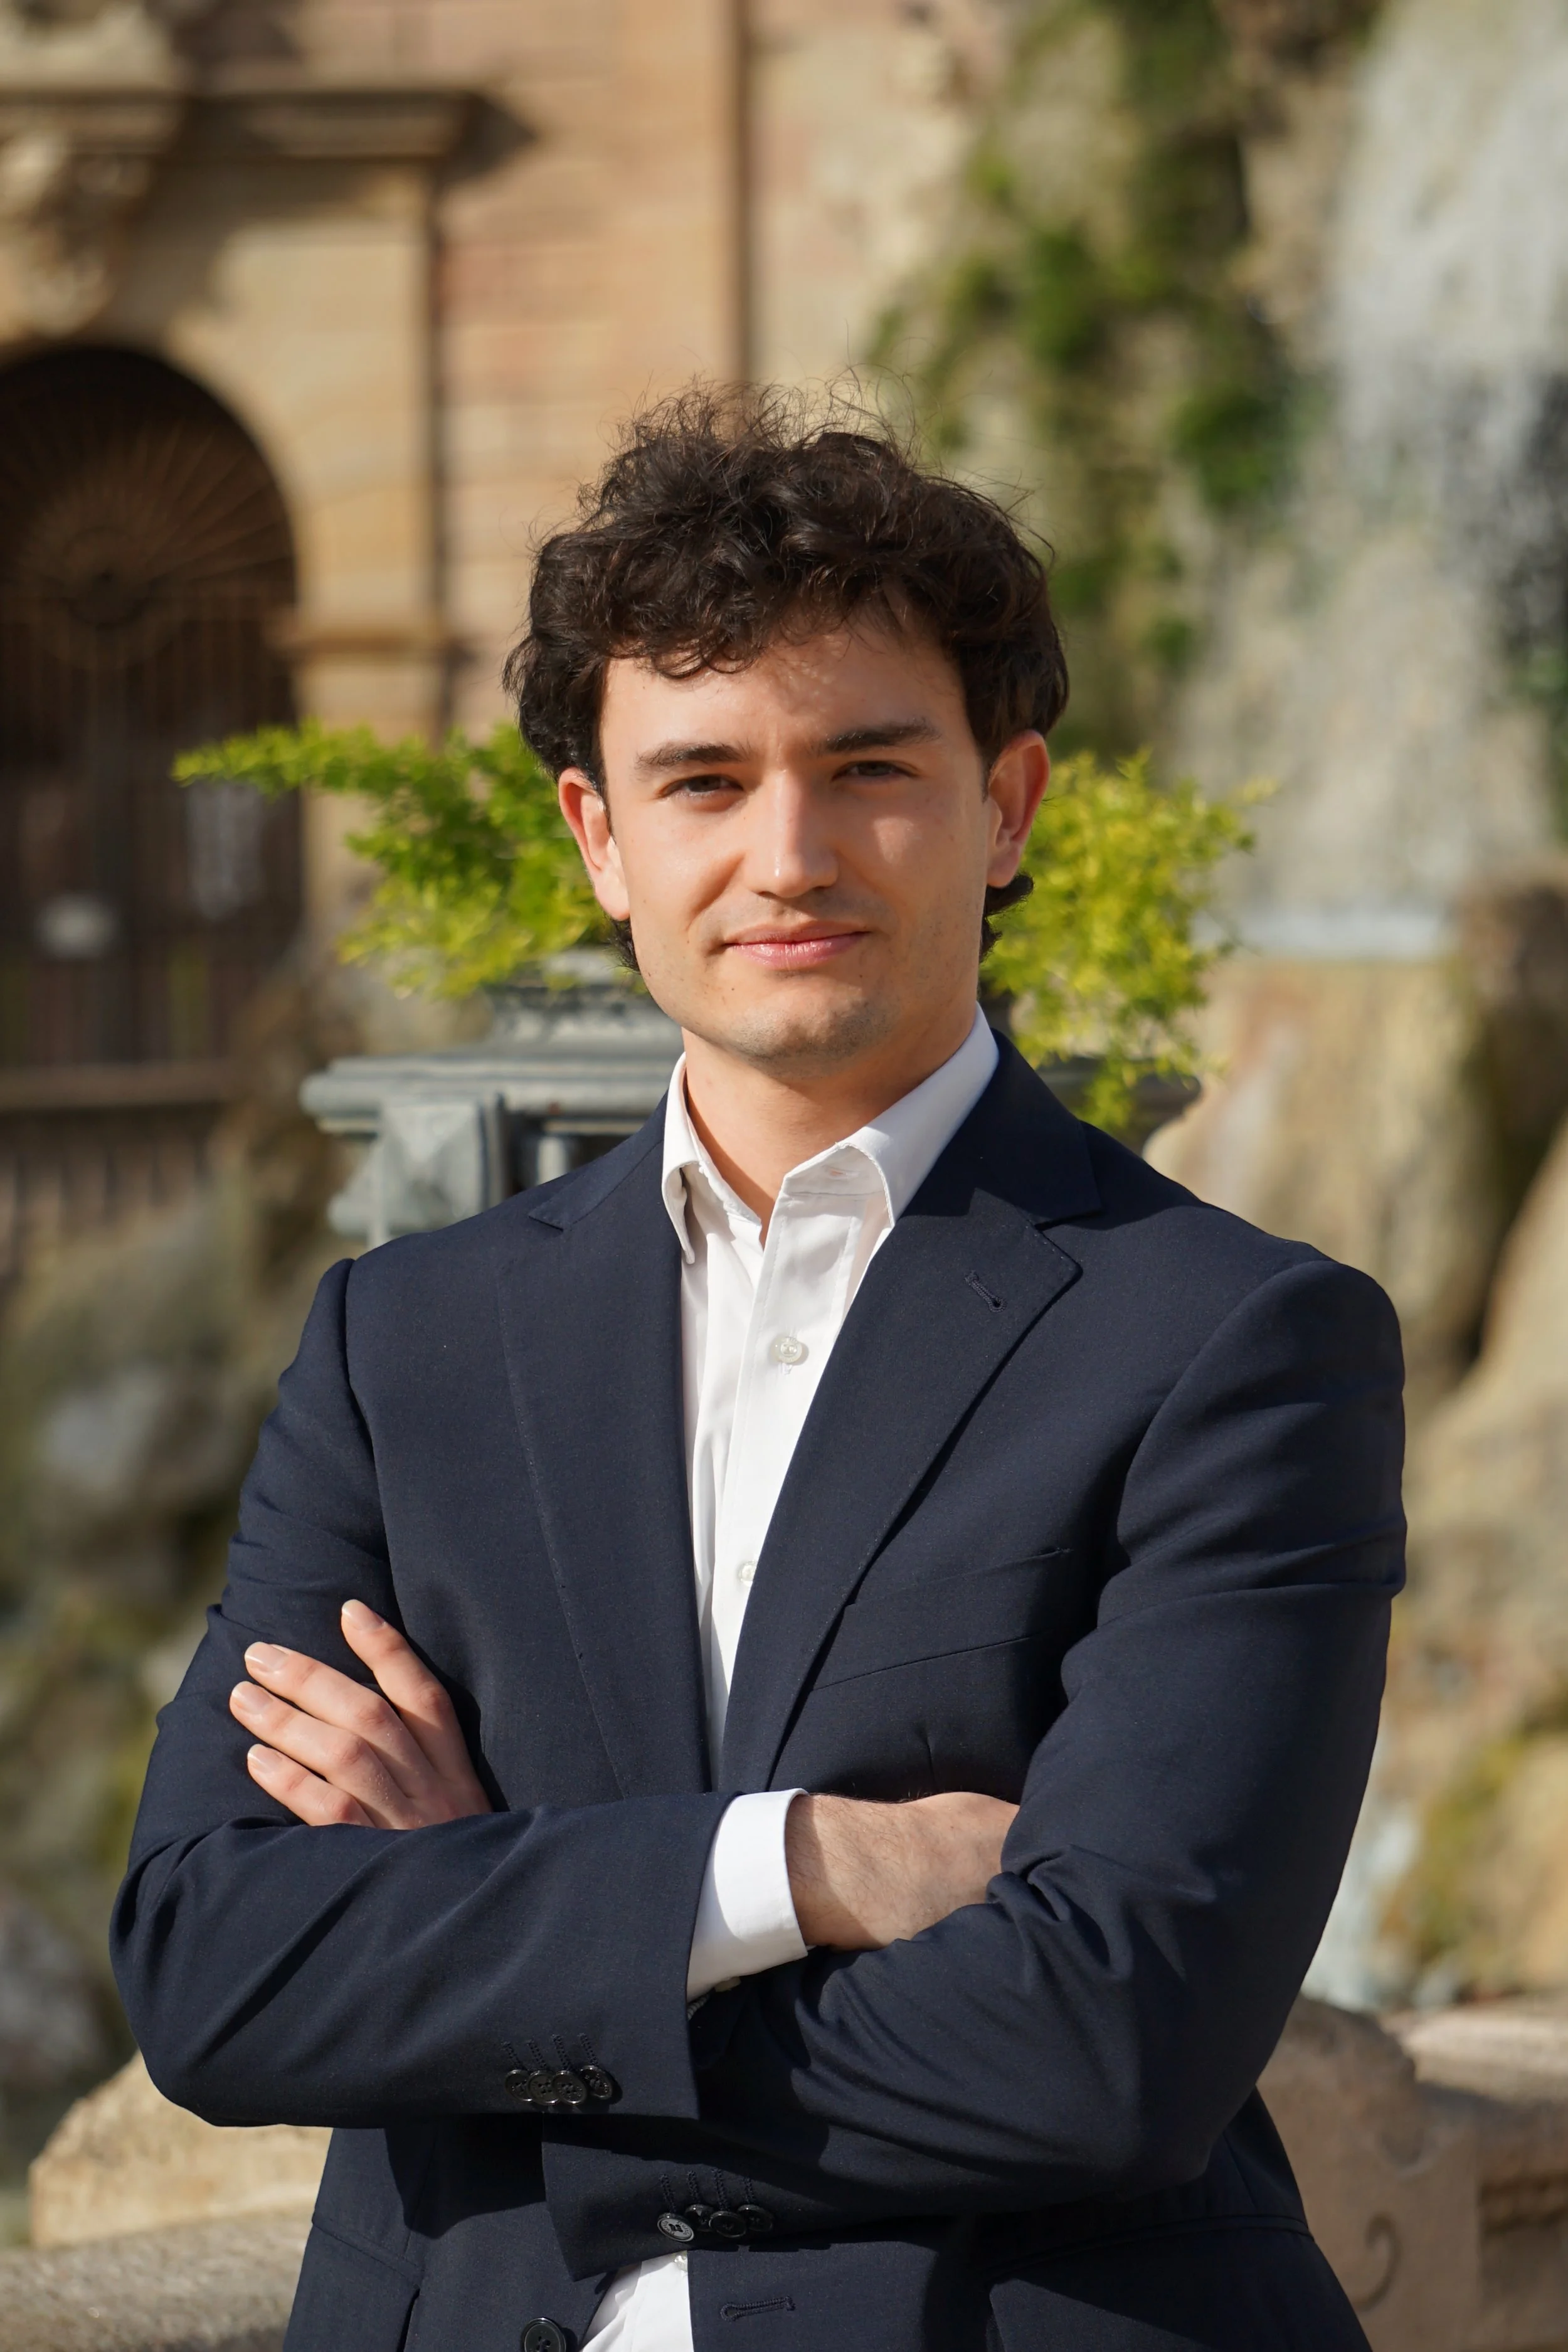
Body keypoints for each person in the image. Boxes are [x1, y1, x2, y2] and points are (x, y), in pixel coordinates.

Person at [113, 390, 1404, 2352]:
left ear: (1008, 806)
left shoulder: (1228, 1339)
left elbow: (1111, 2042)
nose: (786, 852)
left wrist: (495, 1937)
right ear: (598, 838)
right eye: (702, 780)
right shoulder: (408, 1344)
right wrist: (801, 1862)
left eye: (867, 764)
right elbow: (216, 1968)